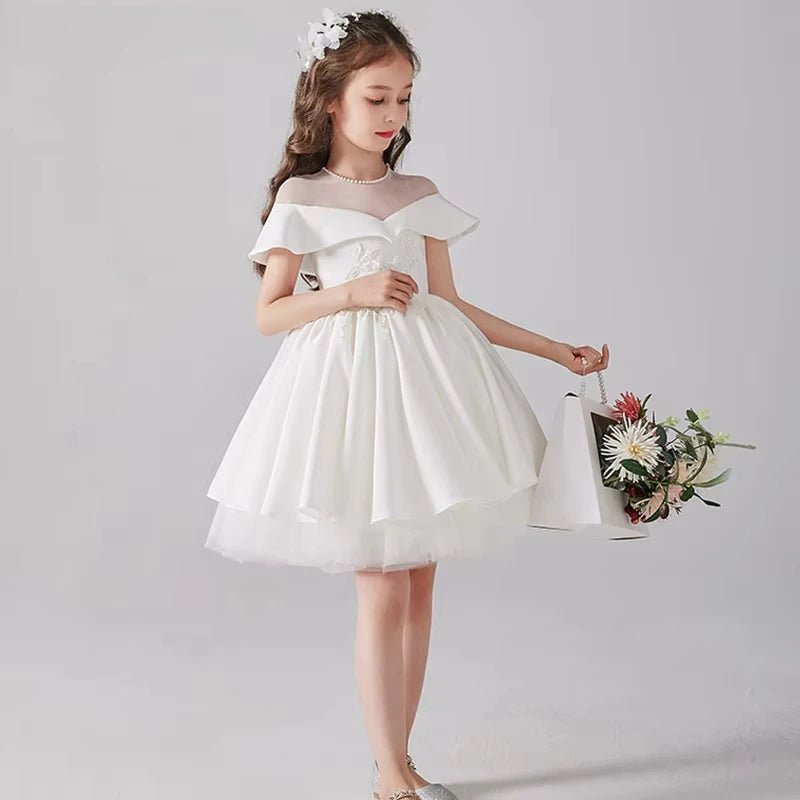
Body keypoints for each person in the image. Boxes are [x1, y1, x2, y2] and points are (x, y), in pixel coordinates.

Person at [205, 9, 609, 800]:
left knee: (419, 580)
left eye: (405, 101)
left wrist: (556, 350)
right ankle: (390, 773)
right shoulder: (303, 193)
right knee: (381, 583)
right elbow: (270, 313)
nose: (394, 118)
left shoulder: (418, 192)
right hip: (352, 400)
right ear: (331, 101)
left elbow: (453, 305)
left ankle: (403, 759)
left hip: (428, 393)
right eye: (378, 99)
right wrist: (350, 291)